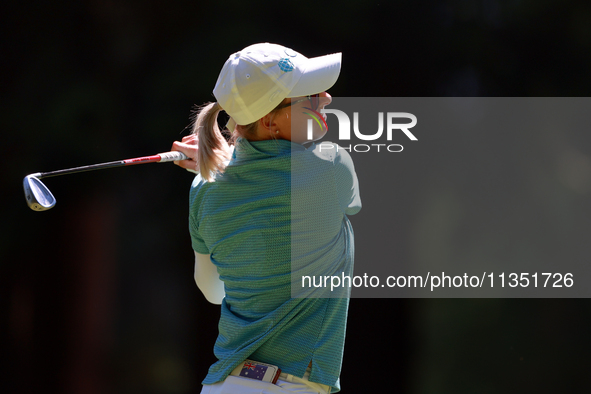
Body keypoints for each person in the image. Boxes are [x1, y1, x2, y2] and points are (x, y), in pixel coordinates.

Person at [172, 43, 361, 394]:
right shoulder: (333, 168)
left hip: (223, 385)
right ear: (270, 120)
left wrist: (219, 166)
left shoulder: (204, 188)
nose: (326, 98)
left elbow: (213, 291)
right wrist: (224, 162)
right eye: (309, 96)